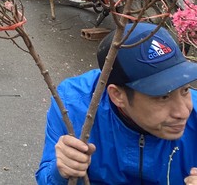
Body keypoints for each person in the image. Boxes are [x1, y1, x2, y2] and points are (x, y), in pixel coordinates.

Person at [37, 22, 197, 185]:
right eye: (163, 96)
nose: (183, 112)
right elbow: (46, 180)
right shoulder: (73, 106)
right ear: (117, 95)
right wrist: (60, 172)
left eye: (184, 89)